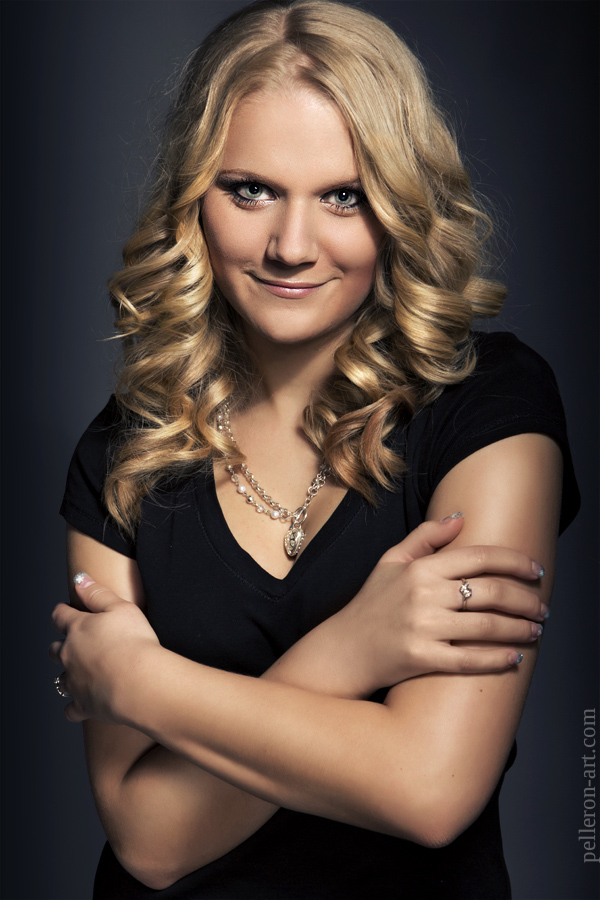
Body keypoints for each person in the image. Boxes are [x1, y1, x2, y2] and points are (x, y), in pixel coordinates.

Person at [51, 1, 579, 897]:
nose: (291, 247)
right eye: (249, 189)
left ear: (398, 206)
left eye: (344, 196)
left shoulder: (490, 403)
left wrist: (142, 684)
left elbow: (431, 787)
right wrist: (353, 651)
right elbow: (148, 840)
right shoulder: (124, 452)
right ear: (193, 196)